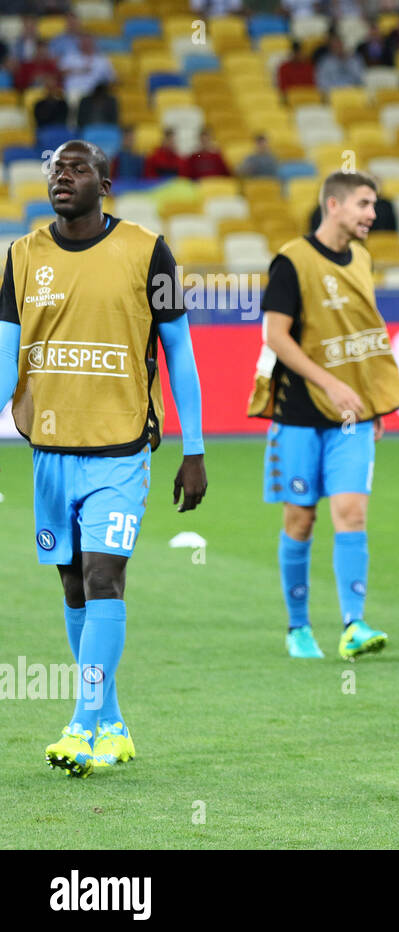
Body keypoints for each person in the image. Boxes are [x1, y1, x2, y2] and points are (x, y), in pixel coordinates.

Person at [0, 140, 207, 776]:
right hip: (51, 449)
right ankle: (113, 723)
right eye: (55, 168)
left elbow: (180, 353)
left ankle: (81, 724)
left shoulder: (150, 251)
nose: (62, 176)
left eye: (77, 167)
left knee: (102, 577)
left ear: (105, 183)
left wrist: (194, 449)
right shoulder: (22, 255)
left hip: (121, 447)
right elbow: (5, 351)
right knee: (71, 583)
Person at [247, 171, 399, 661]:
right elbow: (275, 336)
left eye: (373, 205)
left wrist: (370, 399)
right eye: (363, 204)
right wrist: (331, 384)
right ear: (332, 205)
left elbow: (364, 336)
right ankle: (297, 628)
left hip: (349, 418)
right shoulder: (292, 261)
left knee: (352, 512)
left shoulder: (361, 257)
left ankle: (353, 624)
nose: (372, 214)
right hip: (298, 414)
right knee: (300, 520)